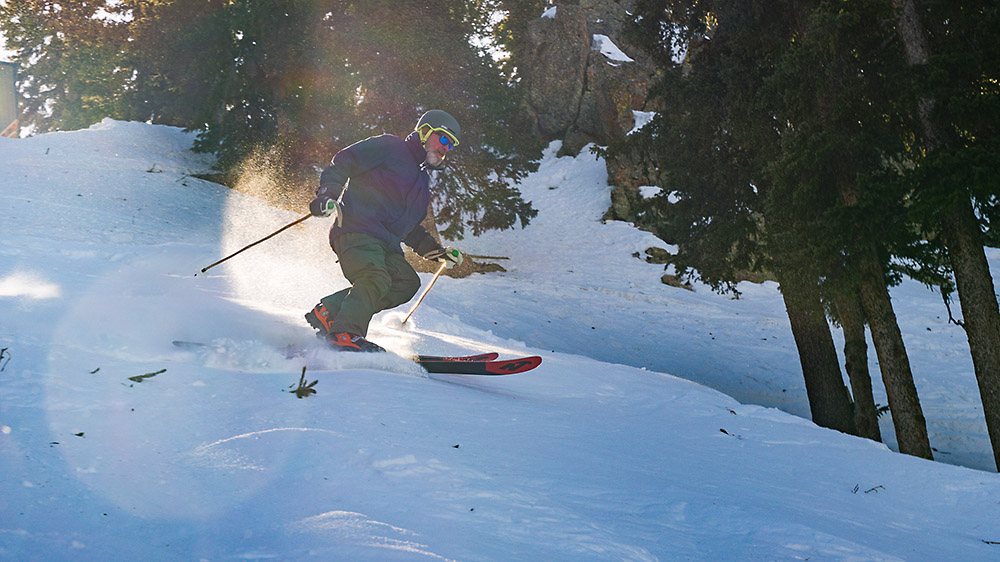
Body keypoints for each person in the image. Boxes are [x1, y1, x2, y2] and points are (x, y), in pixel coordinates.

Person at [305, 110, 465, 352]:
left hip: (386, 244)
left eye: (451, 144)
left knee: (406, 282)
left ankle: (329, 311)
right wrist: (328, 195)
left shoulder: (422, 183)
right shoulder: (391, 147)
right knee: (375, 278)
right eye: (444, 139)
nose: (446, 148)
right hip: (357, 230)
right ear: (424, 132)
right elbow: (344, 161)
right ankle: (345, 335)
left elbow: (409, 228)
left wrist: (437, 253)